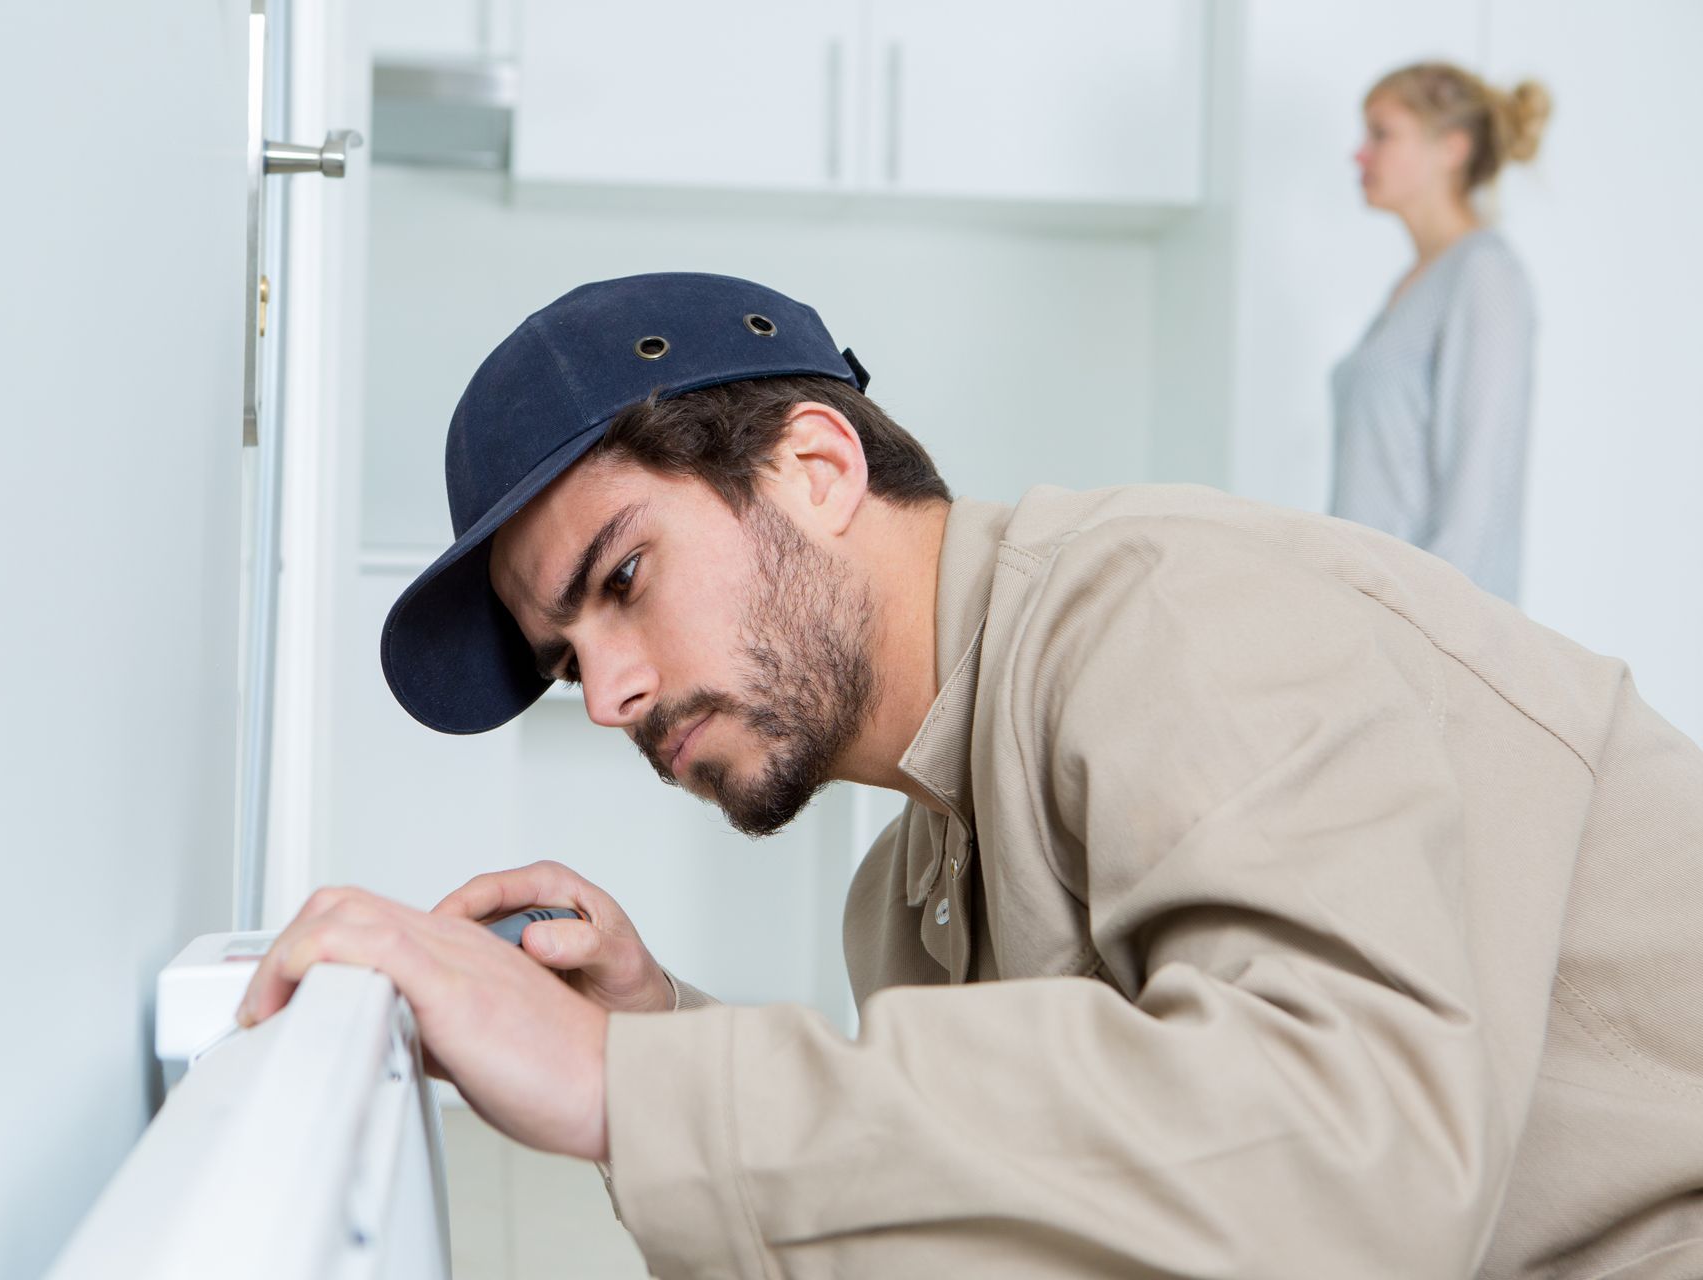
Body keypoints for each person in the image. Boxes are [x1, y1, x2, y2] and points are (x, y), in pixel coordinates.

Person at [239, 273, 1703, 1278]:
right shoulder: (912, 890)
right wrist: (659, 1026)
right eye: (566, 660)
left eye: (623, 578)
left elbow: (1350, 1164)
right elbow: (1042, 1219)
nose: (609, 694)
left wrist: (635, 1083)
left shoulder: (1171, 613)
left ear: (817, 470)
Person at [1332, 62, 1552, 603]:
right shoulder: (1415, 284)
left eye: (1381, 134)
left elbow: (1477, 497)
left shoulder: (1484, 274)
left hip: (1426, 638)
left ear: (1451, 148)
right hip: (1367, 619)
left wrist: (1433, 642)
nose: (1358, 154)